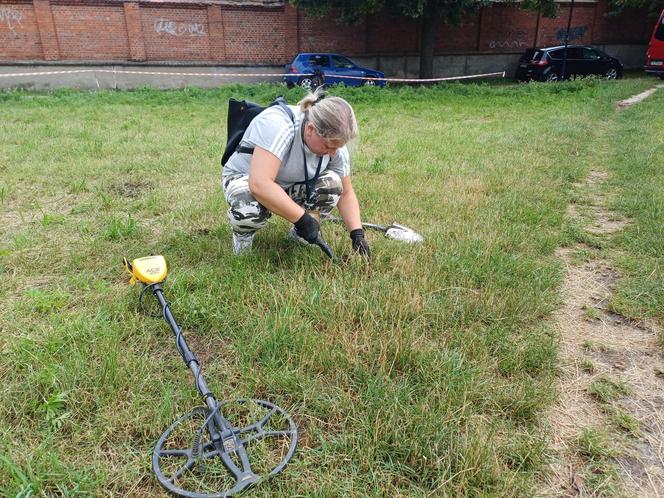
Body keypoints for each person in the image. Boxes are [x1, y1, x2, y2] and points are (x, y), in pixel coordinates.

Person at [222, 87, 370, 258]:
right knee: (247, 202)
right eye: (328, 146)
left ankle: (299, 236)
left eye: (337, 147)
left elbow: (346, 193)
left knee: (333, 185)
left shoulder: (334, 144)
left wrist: (357, 234)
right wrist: (302, 219)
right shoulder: (278, 124)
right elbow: (259, 184)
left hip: (288, 184)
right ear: (310, 129)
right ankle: (243, 238)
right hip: (246, 180)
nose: (333, 153)